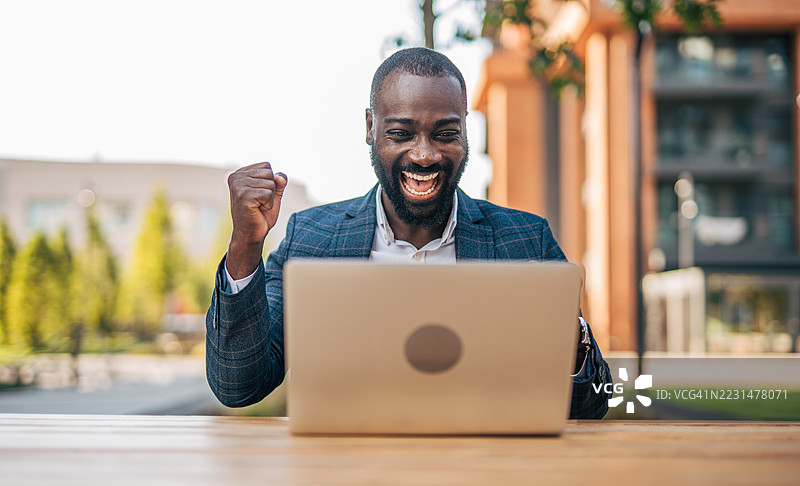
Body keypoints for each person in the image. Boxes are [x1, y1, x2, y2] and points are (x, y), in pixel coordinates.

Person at [206, 47, 611, 419]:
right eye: (401, 133)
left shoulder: (525, 240)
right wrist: (246, 245)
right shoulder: (312, 238)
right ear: (370, 127)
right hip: (348, 479)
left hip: (484, 474)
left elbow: (593, 404)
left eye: (445, 134)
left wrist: (568, 337)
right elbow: (237, 386)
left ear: (465, 132)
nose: (424, 154)